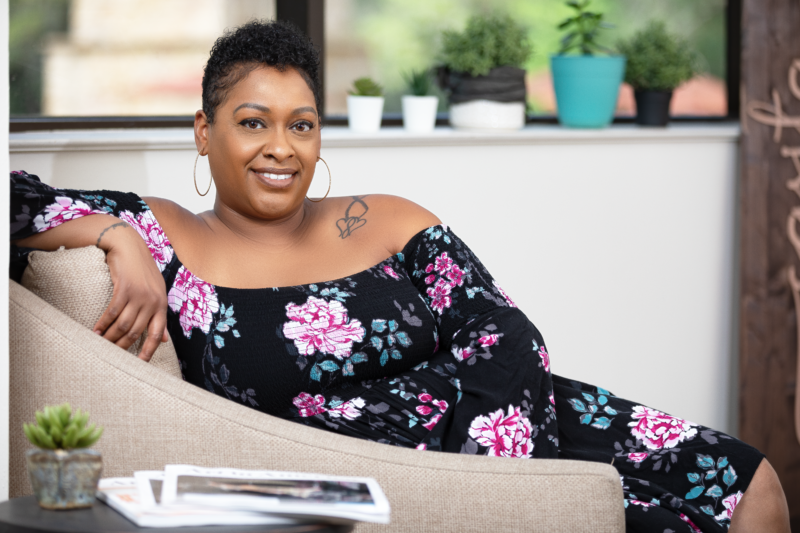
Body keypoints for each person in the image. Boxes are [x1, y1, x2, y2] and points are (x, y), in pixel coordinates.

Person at [9, 20, 789, 533]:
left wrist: (505, 475)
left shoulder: (386, 217)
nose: (281, 147)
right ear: (204, 132)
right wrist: (114, 234)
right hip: (385, 474)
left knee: (755, 488)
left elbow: (503, 331)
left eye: (302, 124)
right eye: (253, 122)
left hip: (515, 424)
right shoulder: (165, 231)